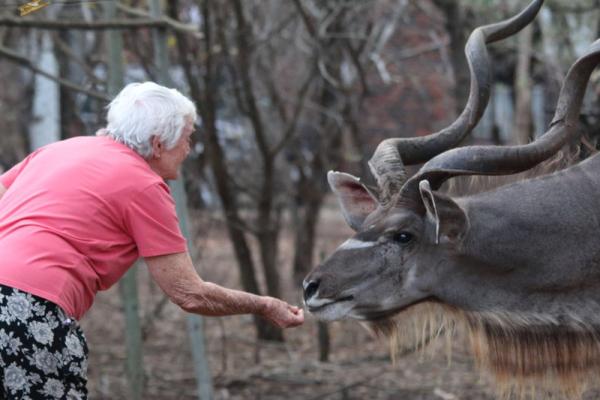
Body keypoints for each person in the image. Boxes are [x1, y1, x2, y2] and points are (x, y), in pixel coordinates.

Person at [0, 82, 304, 399]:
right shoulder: (144, 185)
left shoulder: (62, 149)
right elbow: (190, 294)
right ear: (158, 145)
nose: (189, 149)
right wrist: (264, 305)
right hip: (30, 313)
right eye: (187, 139)